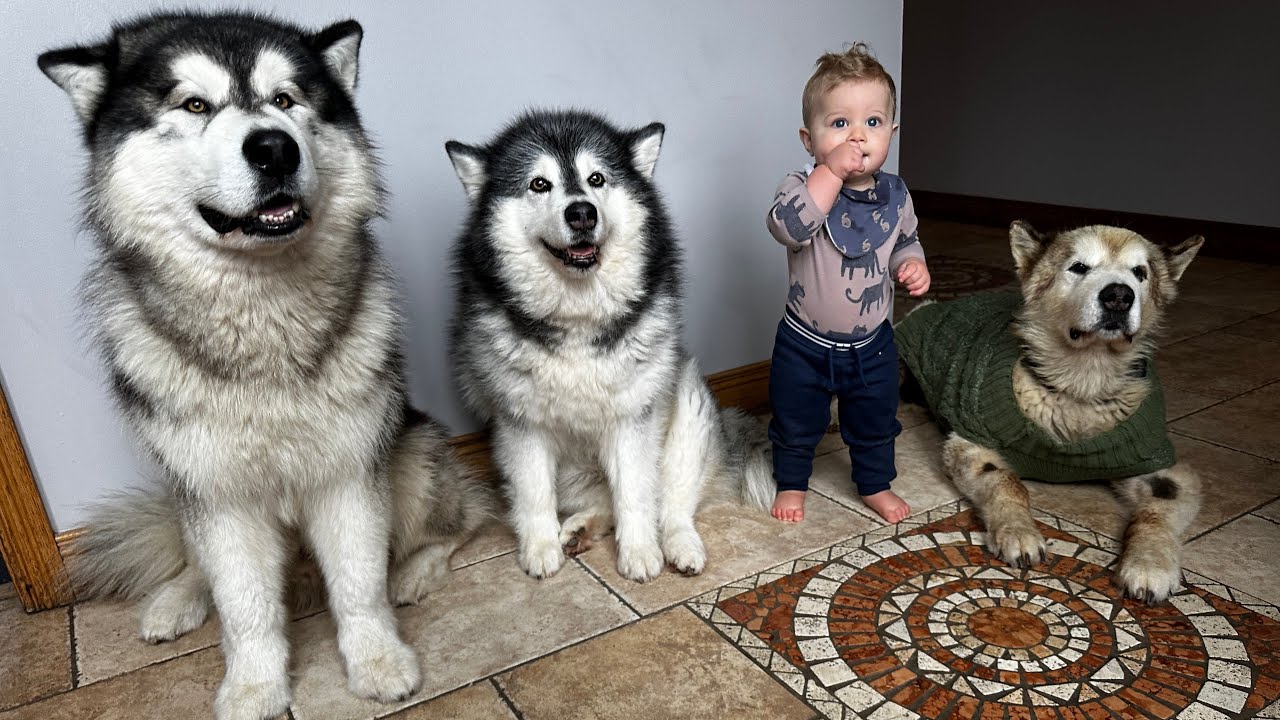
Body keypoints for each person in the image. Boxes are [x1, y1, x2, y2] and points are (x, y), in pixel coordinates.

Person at [764, 43, 930, 524]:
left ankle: (875, 484)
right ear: (808, 137)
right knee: (796, 419)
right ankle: (792, 482)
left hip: (872, 344)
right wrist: (830, 172)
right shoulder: (799, 186)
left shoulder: (896, 195)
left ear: (892, 133)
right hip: (804, 343)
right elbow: (788, 229)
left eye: (873, 123)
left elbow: (905, 239)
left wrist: (912, 261)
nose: (857, 136)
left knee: (875, 419)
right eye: (839, 124)